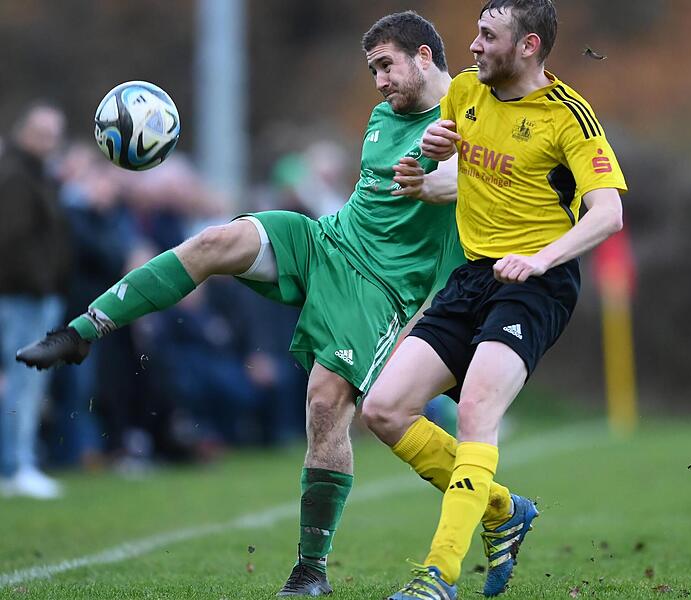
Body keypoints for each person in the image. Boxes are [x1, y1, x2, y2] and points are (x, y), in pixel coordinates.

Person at [15, 11, 518, 597]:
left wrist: (440, 184)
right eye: (372, 69)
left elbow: (474, 176)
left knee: (324, 406)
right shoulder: (383, 118)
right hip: (326, 242)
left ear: (425, 57)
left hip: (380, 290)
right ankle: (83, 330)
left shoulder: (469, 117)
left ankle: (313, 569)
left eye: (386, 66)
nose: (378, 82)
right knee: (213, 241)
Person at [361, 1, 628, 598]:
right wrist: (427, 173)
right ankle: (504, 511)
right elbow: (466, 174)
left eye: (488, 35)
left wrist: (540, 258)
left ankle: (438, 575)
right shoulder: (462, 93)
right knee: (383, 409)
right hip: (473, 278)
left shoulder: (570, 118)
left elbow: (608, 213)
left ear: (528, 46)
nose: (474, 46)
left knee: (478, 411)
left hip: (537, 285)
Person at [0, 101, 70, 499]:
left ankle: (20, 461)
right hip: (23, 296)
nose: (48, 142)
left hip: (38, 295)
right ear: (23, 131)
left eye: (53, 134)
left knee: (31, 386)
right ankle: (15, 466)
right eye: (42, 133)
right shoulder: (14, 175)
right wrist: (40, 282)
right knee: (23, 385)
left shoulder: (37, 174)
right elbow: (12, 240)